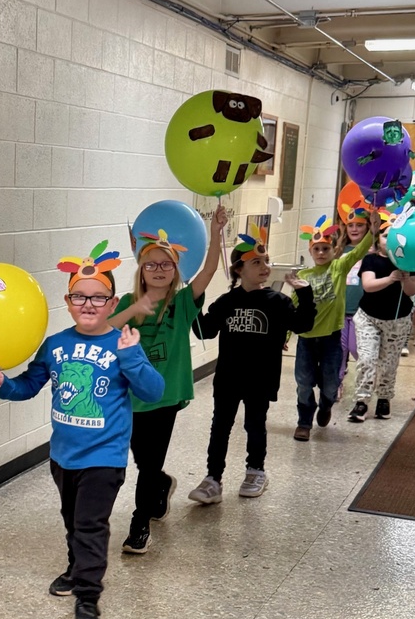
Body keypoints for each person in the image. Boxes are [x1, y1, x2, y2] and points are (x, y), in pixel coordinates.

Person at [0, 242, 164, 619]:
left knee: (89, 524)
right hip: (63, 456)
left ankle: (88, 597)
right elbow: (30, 385)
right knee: (72, 520)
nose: (88, 304)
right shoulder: (56, 345)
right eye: (79, 296)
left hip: (105, 457)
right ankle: (75, 567)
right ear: (67, 301)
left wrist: (132, 356)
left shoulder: (124, 343)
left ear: (113, 302)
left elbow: (153, 391)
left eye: (98, 297)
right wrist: (3, 385)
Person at [106, 206, 228, 554]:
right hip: (131, 397)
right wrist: (136, 308)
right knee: (143, 460)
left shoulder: (184, 302)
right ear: (141, 269)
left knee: (150, 461)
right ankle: (162, 485)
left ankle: (139, 524)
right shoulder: (128, 302)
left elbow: (208, 270)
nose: (158, 270)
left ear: (176, 269)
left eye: (166, 264)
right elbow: (105, 332)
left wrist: (217, 231)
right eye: (151, 264)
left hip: (166, 395)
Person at [187, 226, 315, 504]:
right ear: (238, 270)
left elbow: (303, 325)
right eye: (256, 262)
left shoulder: (278, 301)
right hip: (228, 378)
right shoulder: (226, 302)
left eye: (266, 260)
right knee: (220, 426)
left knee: (255, 425)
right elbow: (204, 331)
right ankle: (213, 479)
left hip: (260, 378)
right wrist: (193, 303)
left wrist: (304, 295)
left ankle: (256, 470)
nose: (265, 267)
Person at [292, 211, 379, 441]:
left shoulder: (339, 267)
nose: (321, 253)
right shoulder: (303, 275)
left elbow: (360, 250)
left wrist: (373, 230)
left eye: (325, 249)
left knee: (331, 383)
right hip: (307, 338)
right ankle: (303, 421)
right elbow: (294, 306)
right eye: (316, 249)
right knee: (303, 381)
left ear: (333, 250)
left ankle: (326, 404)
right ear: (310, 251)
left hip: (331, 337)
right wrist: (286, 332)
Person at [348, 227, 415, 422]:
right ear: (377, 238)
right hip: (368, 318)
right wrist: (390, 278)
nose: (390, 239)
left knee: (389, 363)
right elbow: (368, 286)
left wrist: (405, 278)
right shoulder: (371, 259)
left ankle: (384, 398)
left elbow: (411, 291)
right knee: (367, 359)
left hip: (397, 320)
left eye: (395, 236)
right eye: (386, 235)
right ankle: (361, 401)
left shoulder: (409, 261)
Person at [334, 202, 375, 400]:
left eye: (359, 225)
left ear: (367, 227)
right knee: (339, 350)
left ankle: (365, 383)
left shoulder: (371, 251)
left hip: (362, 311)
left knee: (356, 349)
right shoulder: (339, 251)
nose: (354, 229)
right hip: (341, 309)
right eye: (351, 225)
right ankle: (337, 384)